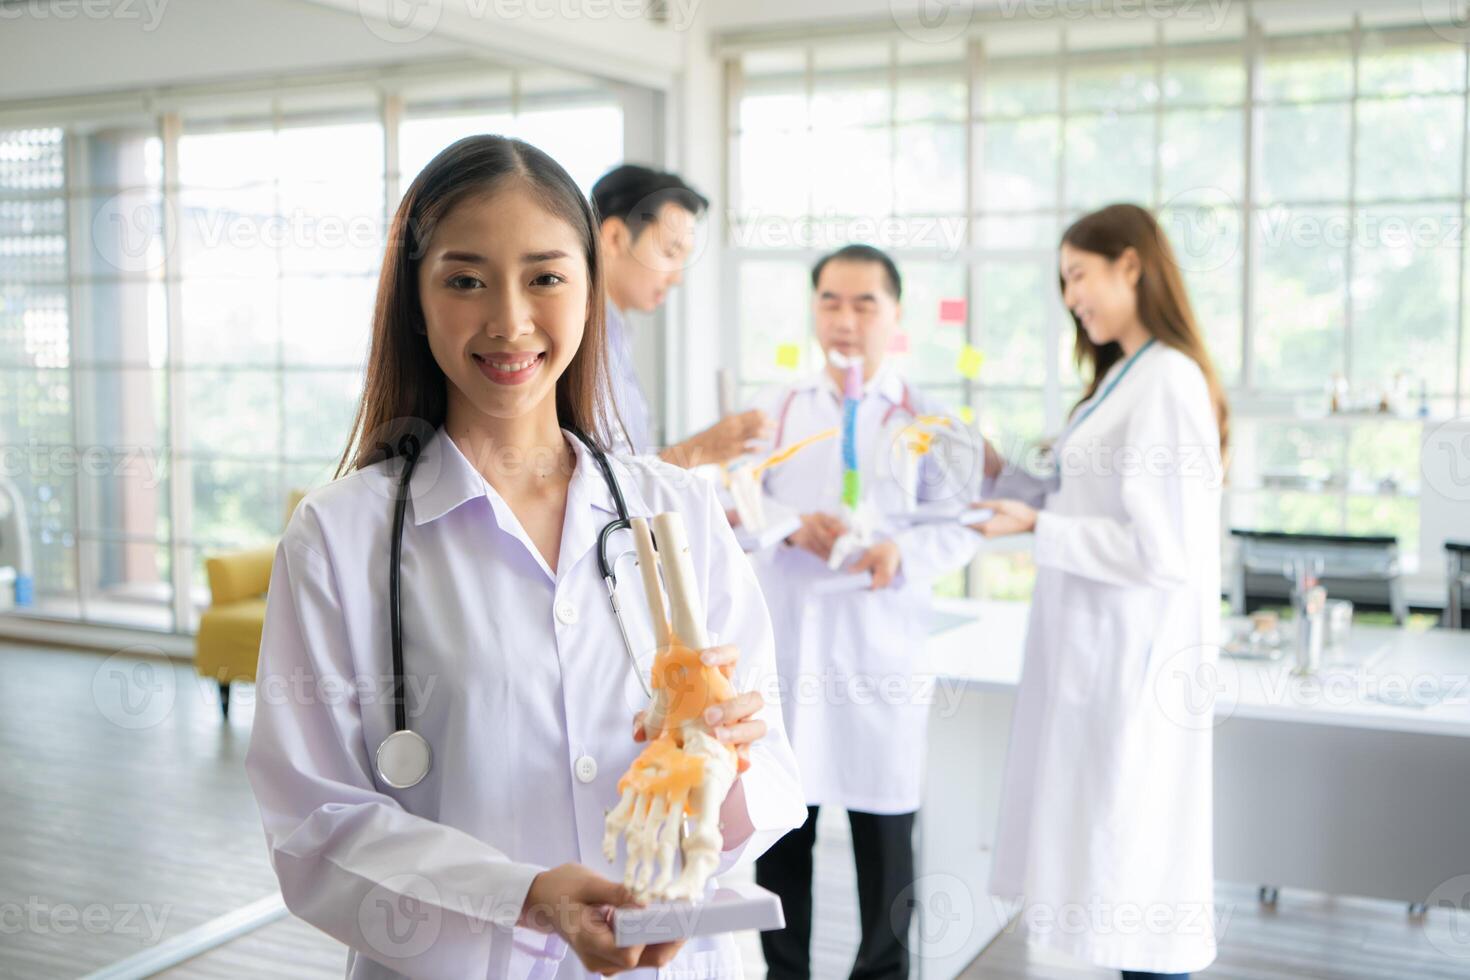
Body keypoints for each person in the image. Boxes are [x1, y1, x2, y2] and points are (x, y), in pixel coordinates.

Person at [243, 135, 806, 980]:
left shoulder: (676, 511)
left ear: (588, 287)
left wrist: (719, 756)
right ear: (416, 300)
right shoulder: (339, 537)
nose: (509, 320)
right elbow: (314, 823)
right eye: (466, 280)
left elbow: (773, 779)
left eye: (545, 276)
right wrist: (524, 895)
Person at [971, 203, 1230, 979]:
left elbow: (1164, 549)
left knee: (1138, 887)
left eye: (1079, 273)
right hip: (1094, 661)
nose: (1071, 294)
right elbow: (1089, 500)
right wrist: (1006, 478)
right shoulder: (1121, 376)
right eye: (1063, 280)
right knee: (1116, 887)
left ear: (1132, 265)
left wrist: (1033, 528)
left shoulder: (1170, 381)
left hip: (1133, 672)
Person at [746, 244, 981, 980]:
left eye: (863, 304)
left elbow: (966, 520)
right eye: (830, 302)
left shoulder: (930, 416)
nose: (844, 320)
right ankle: (785, 972)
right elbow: (741, 497)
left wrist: (900, 554)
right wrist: (791, 524)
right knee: (787, 833)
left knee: (886, 838)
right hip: (794, 648)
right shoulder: (781, 408)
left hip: (880, 650)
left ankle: (883, 973)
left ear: (895, 314)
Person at [590, 164, 770, 465]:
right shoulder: (581, 339)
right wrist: (698, 451)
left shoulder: (616, 333)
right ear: (614, 238)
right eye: (671, 252)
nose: (677, 278)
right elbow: (603, 485)